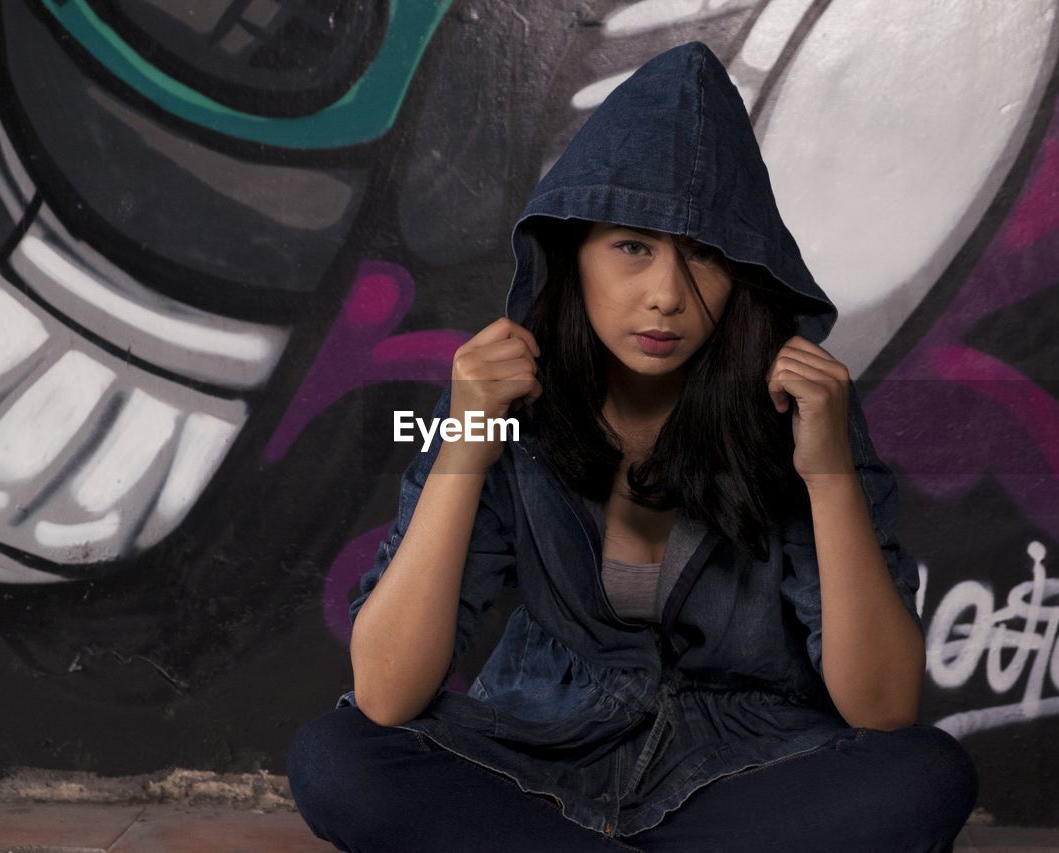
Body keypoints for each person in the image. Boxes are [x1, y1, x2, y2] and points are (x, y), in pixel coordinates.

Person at [287, 41, 979, 852]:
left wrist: (825, 473)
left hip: (739, 771)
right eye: (633, 247)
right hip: (537, 759)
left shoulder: (802, 405)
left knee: (927, 775)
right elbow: (387, 690)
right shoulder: (500, 395)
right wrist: (468, 442)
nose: (667, 295)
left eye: (705, 257)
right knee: (337, 759)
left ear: (746, 273)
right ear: (572, 251)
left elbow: (883, 707)